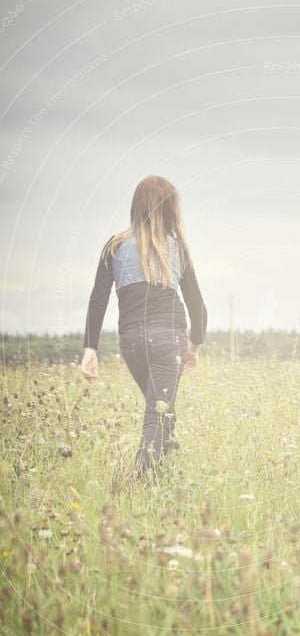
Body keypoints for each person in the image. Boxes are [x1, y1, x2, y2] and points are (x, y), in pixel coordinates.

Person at [80, 175, 207, 478]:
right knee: (158, 413)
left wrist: (90, 348)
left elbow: (97, 300)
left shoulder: (114, 246)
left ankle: (159, 481)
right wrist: (195, 346)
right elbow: (198, 306)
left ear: (136, 206)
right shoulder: (177, 248)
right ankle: (142, 482)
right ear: (171, 209)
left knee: (164, 412)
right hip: (168, 339)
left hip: (132, 342)